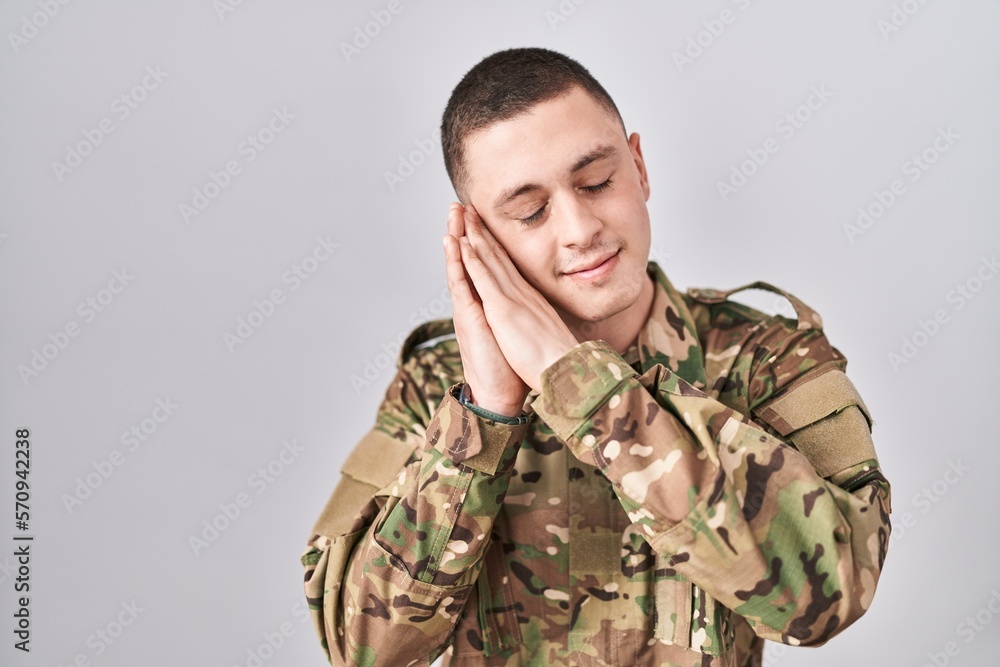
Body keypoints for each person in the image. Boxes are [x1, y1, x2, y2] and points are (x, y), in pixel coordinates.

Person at [301, 47, 891, 666]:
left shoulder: (766, 359)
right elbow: (360, 650)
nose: (580, 228)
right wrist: (483, 419)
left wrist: (580, 385)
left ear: (638, 166)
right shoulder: (438, 388)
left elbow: (829, 598)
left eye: (597, 182)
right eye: (530, 211)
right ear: (479, 235)